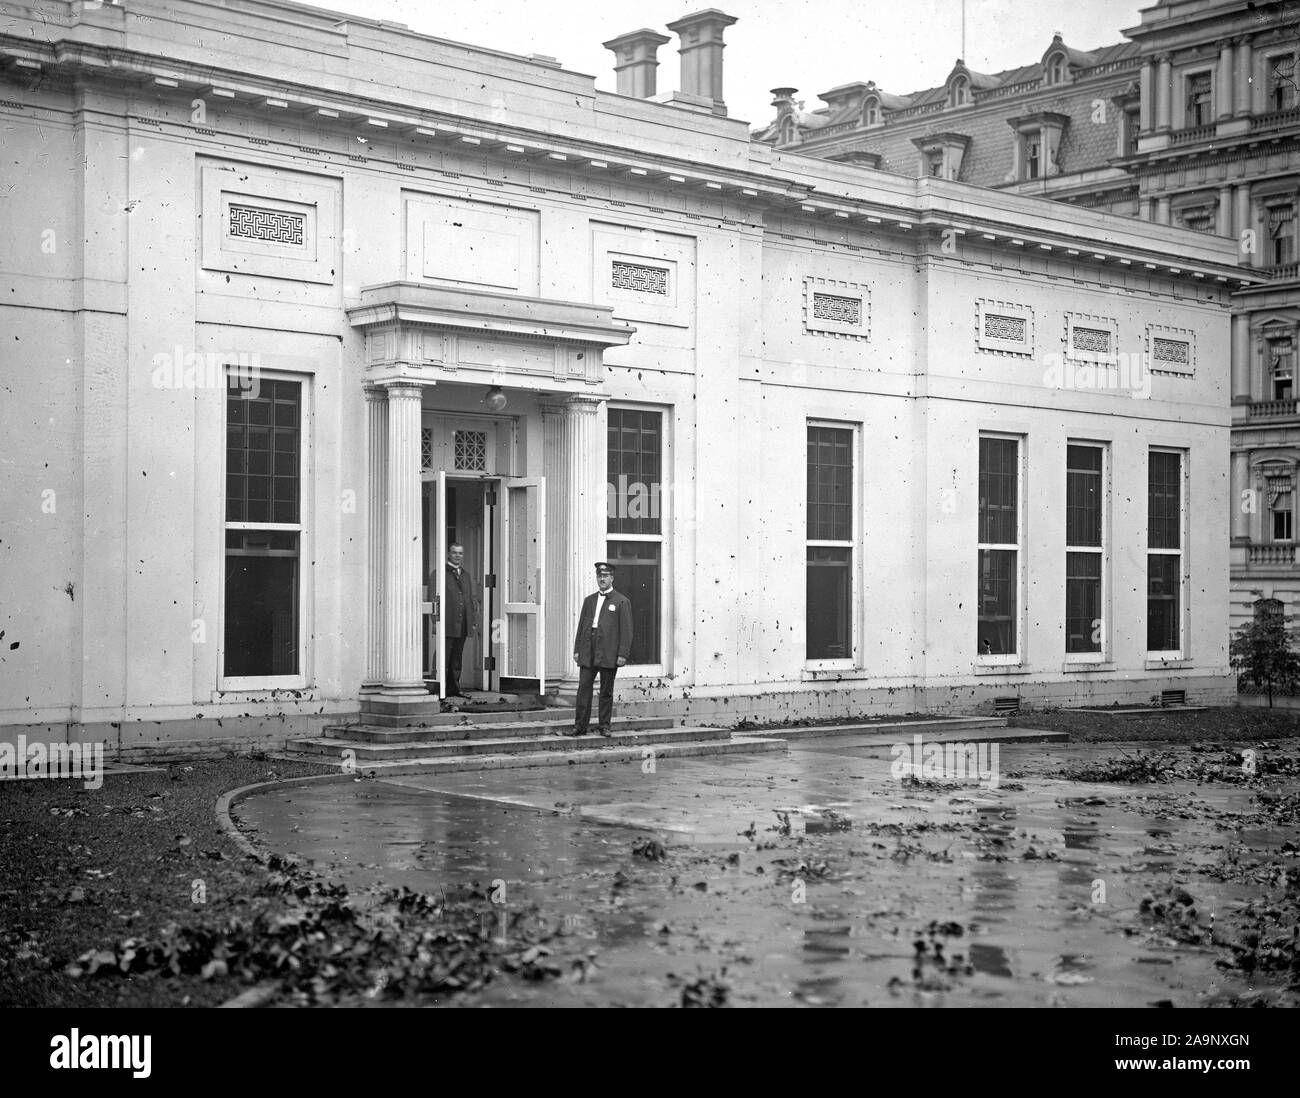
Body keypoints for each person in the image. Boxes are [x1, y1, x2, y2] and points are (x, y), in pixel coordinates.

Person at [566, 562, 633, 737]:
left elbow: (626, 630)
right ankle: (580, 726)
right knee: (583, 688)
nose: (602, 579)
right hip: (588, 648)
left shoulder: (621, 601)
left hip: (609, 650)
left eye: (605, 576)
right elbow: (582, 626)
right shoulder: (589, 600)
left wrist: (622, 654)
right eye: (599, 576)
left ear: (612, 578)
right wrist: (577, 649)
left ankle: (604, 726)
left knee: (606, 691)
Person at [440, 542, 479, 698]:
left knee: (457, 657)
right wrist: (434, 623)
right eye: (454, 552)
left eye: (460, 553)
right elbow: (433, 598)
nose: (457, 556)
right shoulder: (440, 572)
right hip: (447, 623)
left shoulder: (466, 575)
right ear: (448, 554)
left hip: (462, 623)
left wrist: (473, 620)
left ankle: (454, 688)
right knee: (444, 656)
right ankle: (440, 688)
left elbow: (470, 599)